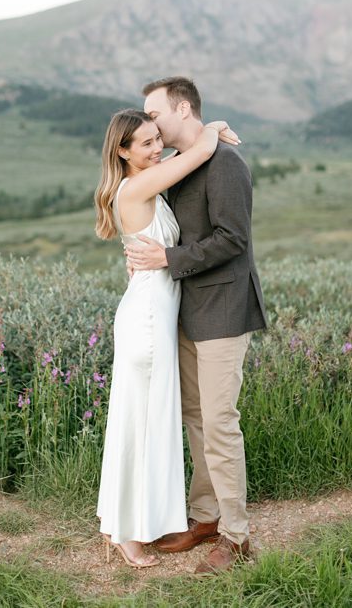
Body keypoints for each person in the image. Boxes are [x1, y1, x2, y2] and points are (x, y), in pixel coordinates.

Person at [124, 77, 267, 575]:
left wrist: (168, 258)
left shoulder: (226, 163)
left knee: (220, 423)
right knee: (196, 417)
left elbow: (233, 239)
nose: (150, 124)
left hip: (224, 309)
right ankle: (206, 516)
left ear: (183, 109)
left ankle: (237, 537)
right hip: (184, 310)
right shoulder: (178, 164)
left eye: (154, 113)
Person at [93, 108, 239, 568]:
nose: (158, 148)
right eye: (146, 143)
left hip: (154, 314)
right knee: (142, 427)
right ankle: (128, 535)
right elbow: (199, 152)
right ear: (123, 152)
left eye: (159, 138)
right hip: (148, 322)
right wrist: (212, 127)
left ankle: (125, 524)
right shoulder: (138, 187)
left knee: (143, 423)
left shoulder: (143, 183)